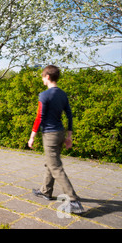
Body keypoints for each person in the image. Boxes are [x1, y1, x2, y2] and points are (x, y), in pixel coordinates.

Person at [28, 65, 84, 214]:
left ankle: (74, 200)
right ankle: (46, 191)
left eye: (42, 76)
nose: (42, 79)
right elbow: (69, 115)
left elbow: (39, 117)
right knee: (51, 163)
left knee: (56, 167)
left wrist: (32, 137)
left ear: (47, 77)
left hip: (50, 135)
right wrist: (69, 136)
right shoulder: (63, 94)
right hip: (60, 132)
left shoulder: (44, 95)